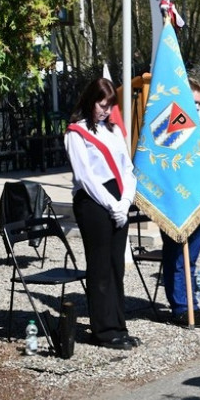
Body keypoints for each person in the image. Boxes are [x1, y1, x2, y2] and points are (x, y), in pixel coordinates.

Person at [64, 77, 139, 350]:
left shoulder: (114, 130)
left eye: (110, 105)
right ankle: (104, 331)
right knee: (100, 268)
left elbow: (127, 169)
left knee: (116, 266)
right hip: (93, 203)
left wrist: (126, 201)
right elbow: (85, 177)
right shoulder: (76, 132)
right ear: (89, 100)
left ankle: (119, 324)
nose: (106, 110)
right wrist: (112, 205)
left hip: (118, 198)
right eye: (101, 104)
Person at [159, 78, 200, 327]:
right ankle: (180, 307)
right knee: (177, 258)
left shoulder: (198, 130)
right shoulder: (167, 129)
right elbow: (165, 168)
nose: (198, 108)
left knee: (191, 259)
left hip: (197, 202)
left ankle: (193, 304)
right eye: (194, 103)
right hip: (177, 204)